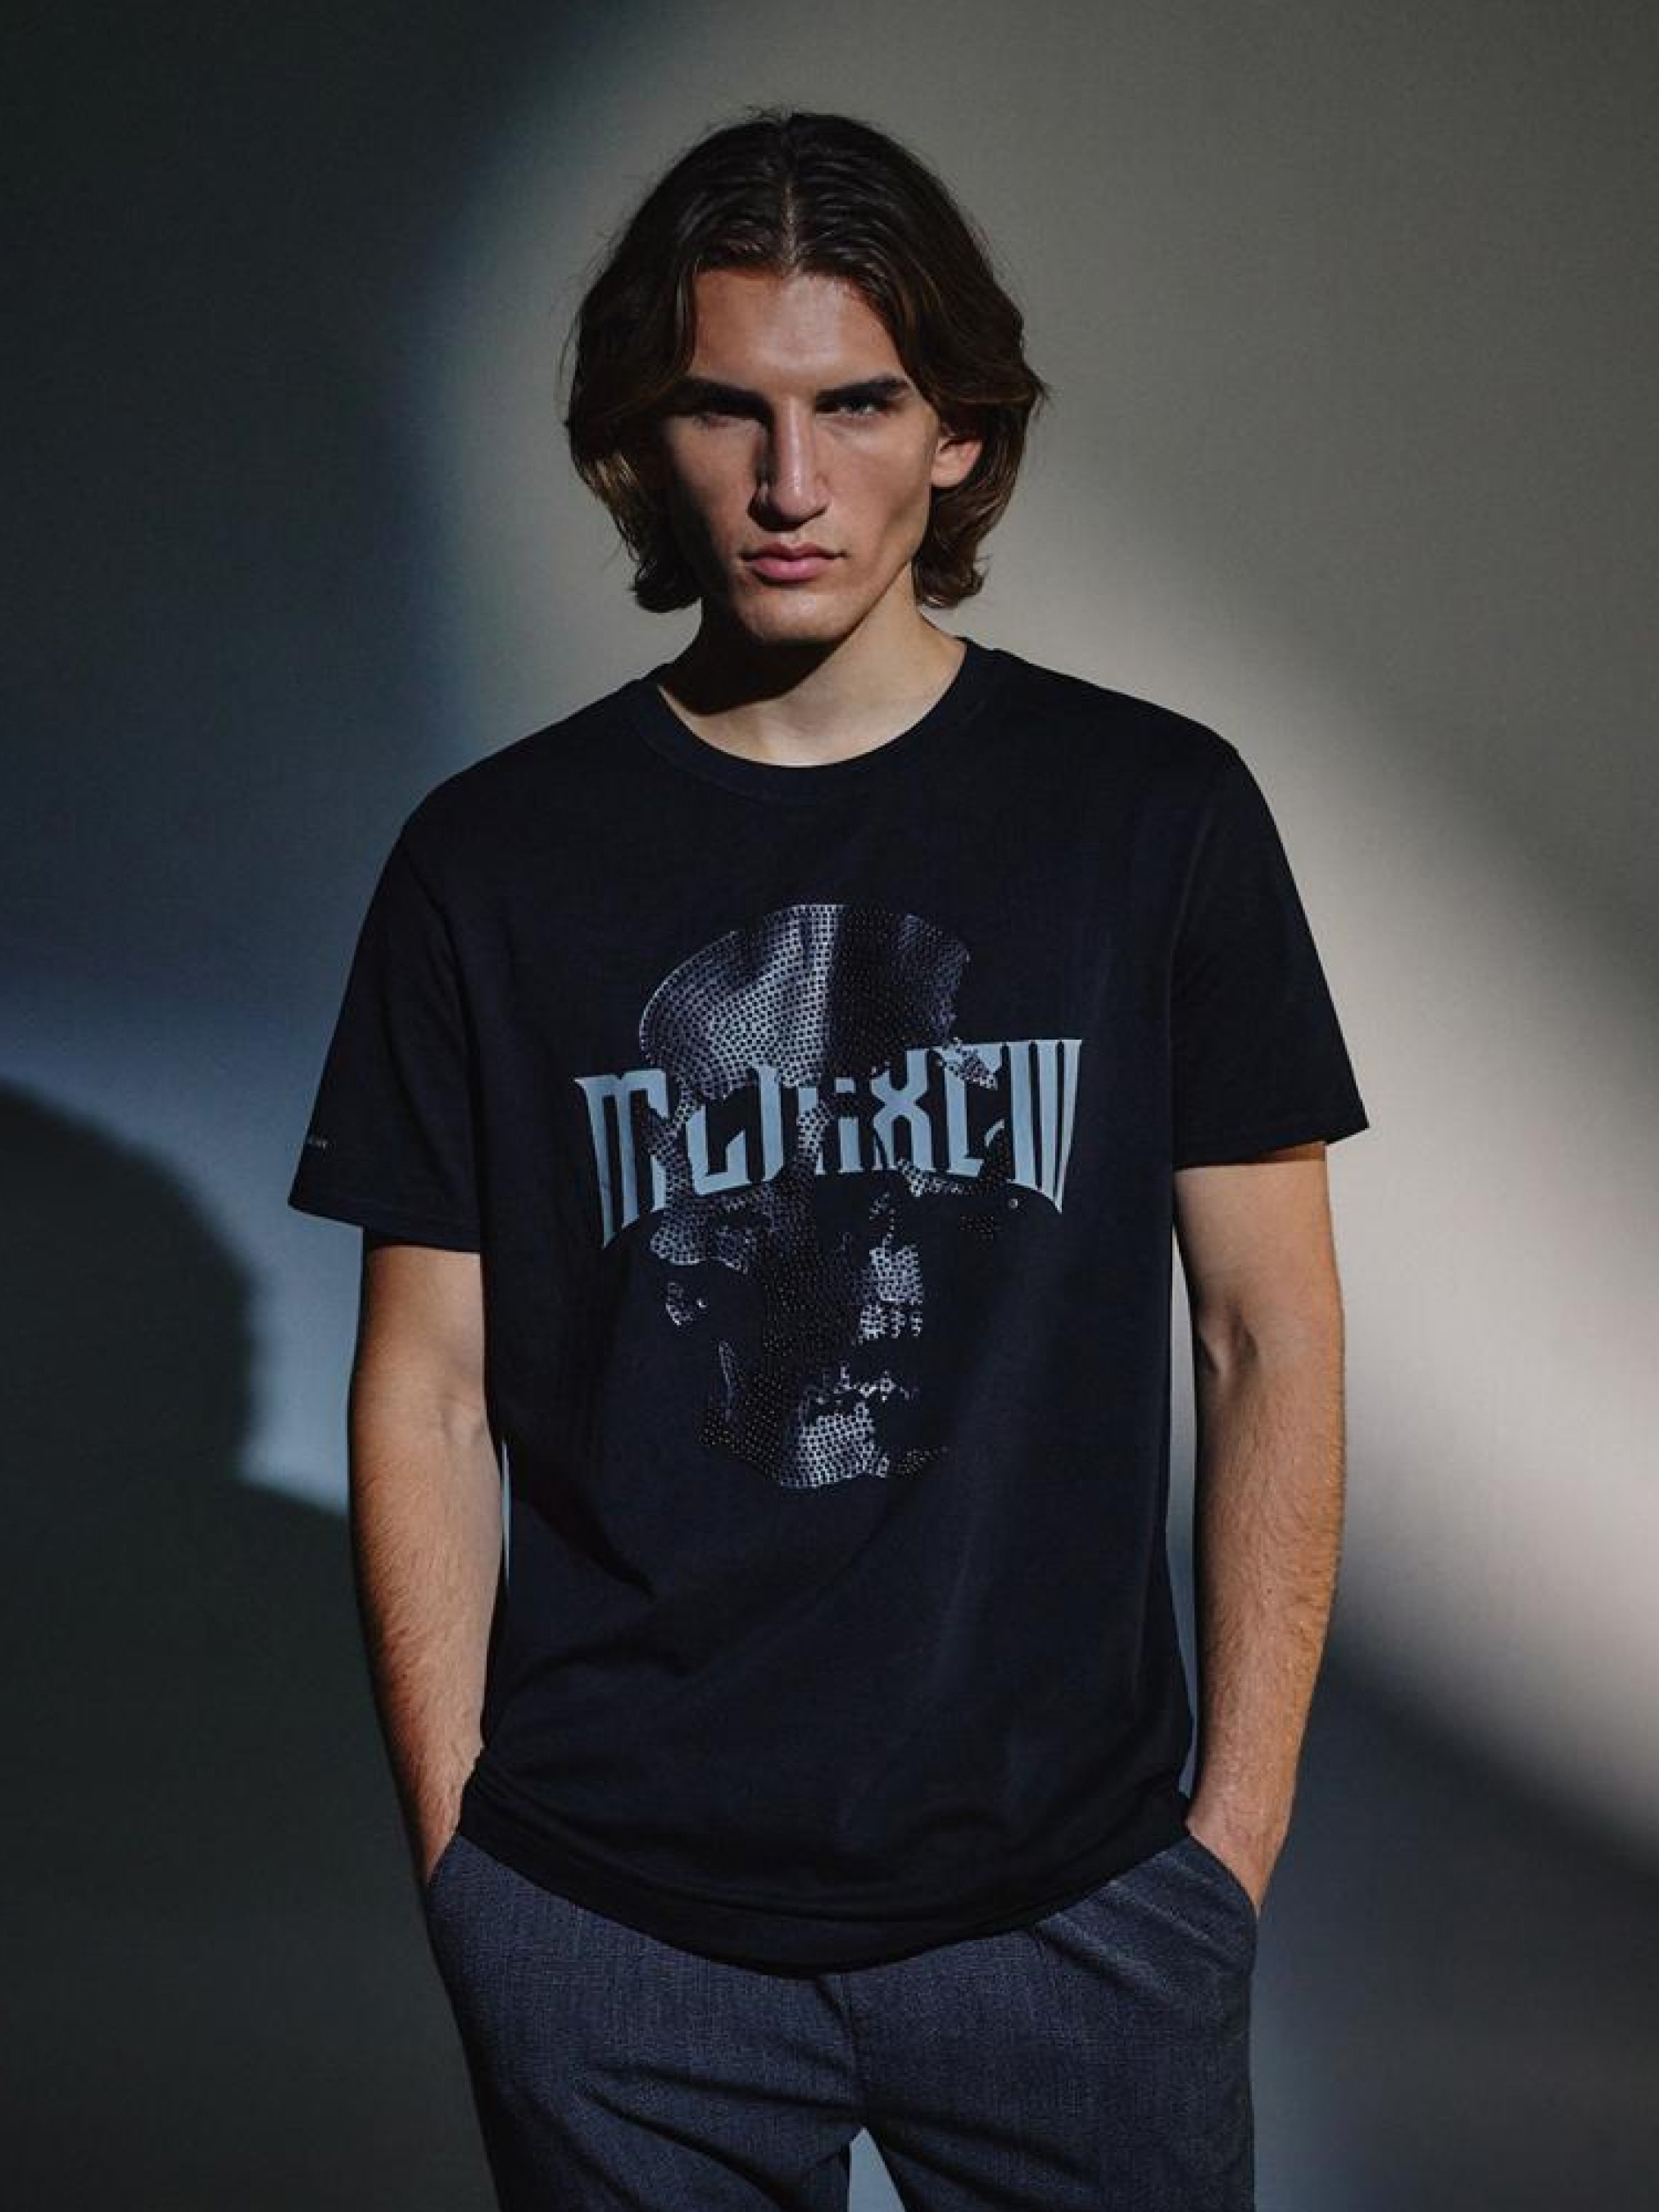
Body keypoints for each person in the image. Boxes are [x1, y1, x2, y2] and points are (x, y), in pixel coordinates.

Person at [288, 104, 1369, 2212]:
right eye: (728, 408)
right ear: (641, 438)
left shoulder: (1147, 816)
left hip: (1076, 1911)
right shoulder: (491, 865)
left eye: (855, 403)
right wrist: (466, 1862)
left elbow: (1267, 1333)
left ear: (955, 430)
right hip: (609, 1922)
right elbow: (423, 1381)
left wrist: (1224, 1850)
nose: (790, 484)